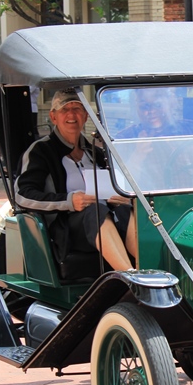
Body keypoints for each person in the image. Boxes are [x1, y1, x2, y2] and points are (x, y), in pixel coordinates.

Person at [15, 88, 137, 271]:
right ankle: (130, 276)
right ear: (53, 117)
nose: (71, 115)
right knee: (95, 211)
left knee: (128, 210)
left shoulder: (96, 153)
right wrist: (69, 201)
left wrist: (122, 197)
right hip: (66, 228)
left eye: (77, 109)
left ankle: (150, 270)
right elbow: (23, 195)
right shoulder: (41, 151)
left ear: (86, 116)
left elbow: (118, 185)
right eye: (65, 109)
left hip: (104, 220)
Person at [117, 87, 193, 189]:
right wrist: (138, 155)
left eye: (158, 105)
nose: (151, 111)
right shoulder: (126, 139)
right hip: (154, 206)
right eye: (144, 106)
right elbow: (120, 186)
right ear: (136, 107)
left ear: (171, 103)